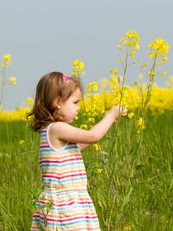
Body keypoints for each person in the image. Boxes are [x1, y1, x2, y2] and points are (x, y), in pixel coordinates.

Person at [27, 72, 127, 231]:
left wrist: (109, 120)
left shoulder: (52, 131)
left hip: (68, 204)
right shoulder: (57, 128)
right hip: (65, 207)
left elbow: (77, 147)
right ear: (58, 102)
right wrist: (110, 116)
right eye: (75, 102)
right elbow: (93, 136)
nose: (78, 107)